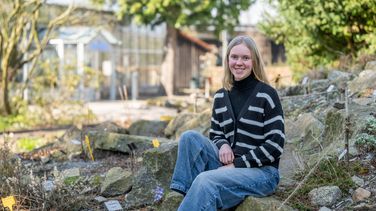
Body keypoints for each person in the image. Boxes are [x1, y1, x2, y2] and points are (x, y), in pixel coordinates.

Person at [170, 35, 285, 210]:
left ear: (254, 61)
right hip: (228, 165)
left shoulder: (267, 94)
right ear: (227, 60)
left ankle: (197, 197)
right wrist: (223, 145)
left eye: (245, 58)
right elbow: (216, 133)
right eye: (234, 57)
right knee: (189, 137)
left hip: (262, 173)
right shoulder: (221, 95)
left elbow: (275, 146)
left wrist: (235, 165)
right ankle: (182, 194)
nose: (239, 62)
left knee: (205, 180)